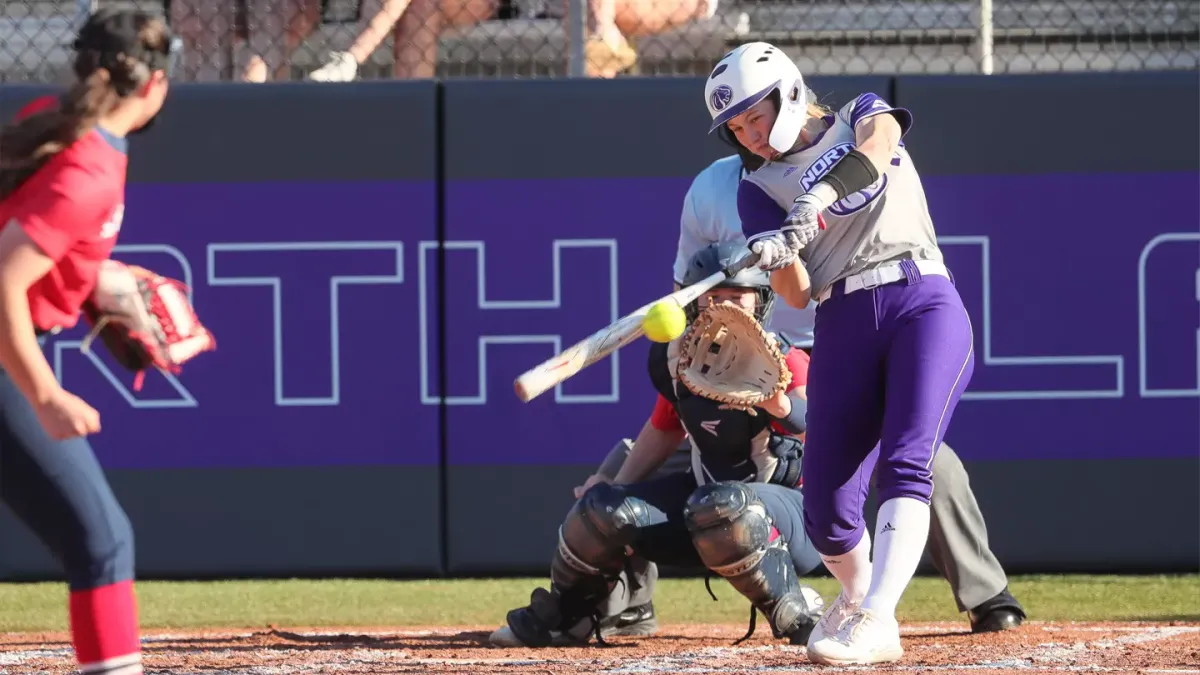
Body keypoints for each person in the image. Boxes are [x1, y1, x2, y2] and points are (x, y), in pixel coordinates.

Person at [703, 41, 978, 665]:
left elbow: (874, 156)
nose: (751, 136)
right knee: (827, 510)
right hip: (844, 316)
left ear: (790, 92)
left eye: (755, 115)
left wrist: (816, 199)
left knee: (909, 461)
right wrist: (780, 256)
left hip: (920, 298)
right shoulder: (755, 188)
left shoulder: (861, 112)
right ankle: (860, 601)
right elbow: (798, 293)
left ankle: (879, 616)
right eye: (737, 127)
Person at [490, 242, 826, 648]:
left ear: (761, 301)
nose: (723, 308)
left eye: (736, 297)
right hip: (707, 511)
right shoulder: (681, 360)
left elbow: (824, 432)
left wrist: (779, 403)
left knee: (724, 505)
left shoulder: (784, 360)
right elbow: (665, 430)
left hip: (797, 519)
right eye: (713, 298)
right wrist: (611, 485)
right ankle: (569, 615)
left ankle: (797, 613)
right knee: (602, 509)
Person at [0, 8, 177, 675]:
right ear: (155, 83)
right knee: (102, 540)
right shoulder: (91, 167)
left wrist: (87, 281)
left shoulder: (57, 117)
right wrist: (44, 394)